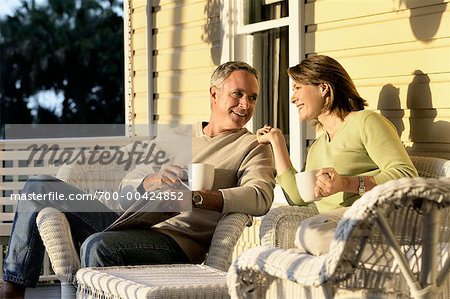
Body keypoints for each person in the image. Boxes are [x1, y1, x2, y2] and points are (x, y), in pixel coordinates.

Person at [0, 61, 276, 298]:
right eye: (237, 94)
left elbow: (260, 195)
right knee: (38, 185)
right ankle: (14, 288)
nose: (245, 104)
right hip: (129, 220)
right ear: (214, 94)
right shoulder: (177, 136)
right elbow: (127, 185)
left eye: (252, 97)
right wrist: (150, 182)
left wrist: (200, 197)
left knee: (99, 246)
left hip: (175, 241)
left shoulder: (252, 146)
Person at [256, 55, 417, 255]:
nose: (292, 98)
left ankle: (395, 260)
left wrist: (347, 183)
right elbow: (298, 197)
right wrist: (277, 142)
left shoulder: (366, 122)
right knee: (303, 239)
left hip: (374, 218)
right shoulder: (317, 147)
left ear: (323, 88)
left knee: (309, 234)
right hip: (336, 224)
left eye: (297, 88)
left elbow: (406, 175)